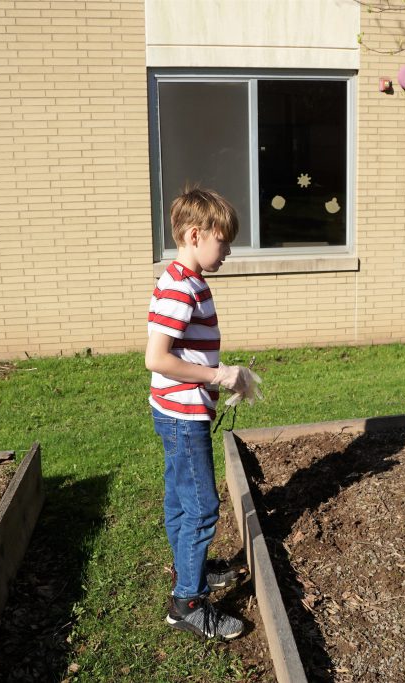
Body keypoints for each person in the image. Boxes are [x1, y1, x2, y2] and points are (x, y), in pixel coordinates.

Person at [145, 187, 261, 640]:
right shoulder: (178, 287)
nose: (228, 251)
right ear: (195, 235)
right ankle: (187, 604)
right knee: (202, 507)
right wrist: (217, 376)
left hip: (175, 412)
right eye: (223, 241)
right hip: (182, 416)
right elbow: (157, 358)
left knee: (179, 499)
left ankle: (187, 568)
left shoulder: (187, 280)